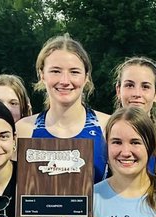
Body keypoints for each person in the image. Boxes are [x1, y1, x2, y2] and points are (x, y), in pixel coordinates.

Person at [17, 35, 110, 184]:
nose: (65, 81)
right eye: (55, 71)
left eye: (74, 72)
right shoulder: (23, 130)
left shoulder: (107, 126)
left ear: (86, 76)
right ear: (42, 75)